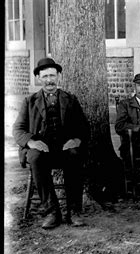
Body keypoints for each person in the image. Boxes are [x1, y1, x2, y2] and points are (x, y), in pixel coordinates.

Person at [13, 57, 90, 229]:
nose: (49, 80)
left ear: (59, 76)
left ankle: (74, 211)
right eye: (45, 76)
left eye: (53, 76)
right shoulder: (30, 102)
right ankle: (51, 212)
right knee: (35, 157)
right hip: (42, 150)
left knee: (75, 155)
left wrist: (75, 140)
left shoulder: (70, 100)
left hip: (64, 149)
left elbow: (84, 127)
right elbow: (18, 130)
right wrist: (31, 142)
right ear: (39, 79)